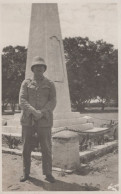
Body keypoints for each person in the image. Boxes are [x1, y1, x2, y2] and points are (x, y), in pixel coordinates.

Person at [19, 56, 56, 183]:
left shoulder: (50, 84)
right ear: (33, 69)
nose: (39, 68)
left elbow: (52, 101)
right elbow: (22, 100)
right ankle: (26, 173)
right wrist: (33, 111)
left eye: (41, 67)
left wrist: (42, 112)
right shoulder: (26, 83)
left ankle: (48, 173)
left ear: (44, 69)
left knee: (46, 147)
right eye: (36, 67)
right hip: (28, 120)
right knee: (26, 147)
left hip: (44, 121)